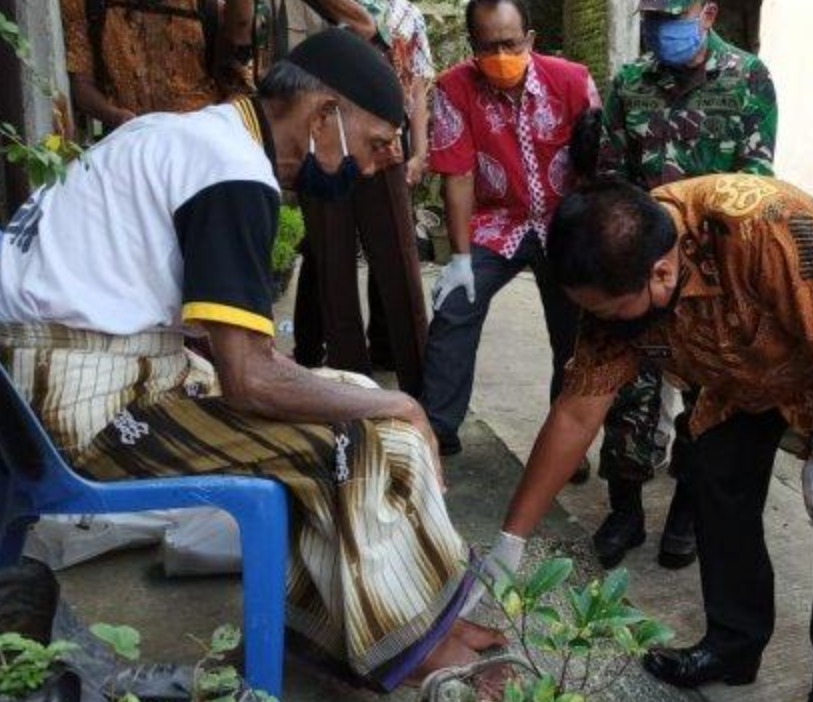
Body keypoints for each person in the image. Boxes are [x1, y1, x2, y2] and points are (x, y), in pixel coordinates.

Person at [0, 28, 505, 691]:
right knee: (364, 440)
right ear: (324, 115)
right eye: (379, 142)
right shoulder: (232, 170)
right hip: (79, 403)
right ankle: (408, 647)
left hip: (41, 381)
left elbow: (220, 339)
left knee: (350, 391)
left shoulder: (196, 138)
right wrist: (399, 401)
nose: (383, 163)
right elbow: (248, 380)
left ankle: (374, 627)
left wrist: (330, 384)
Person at [478, 174, 813, 702]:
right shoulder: (619, 273)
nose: (599, 323)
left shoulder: (764, 225)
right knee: (716, 475)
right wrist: (512, 540)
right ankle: (734, 646)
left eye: (606, 311)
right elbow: (577, 414)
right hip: (745, 356)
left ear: (662, 272)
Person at [592, 0, 778, 571]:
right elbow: (610, 179)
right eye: (652, 17)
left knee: (707, 397)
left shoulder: (749, 78)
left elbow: (757, 178)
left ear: (708, 12)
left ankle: (688, 508)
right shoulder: (629, 83)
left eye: (673, 16)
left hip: (712, 271)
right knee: (629, 393)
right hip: (642, 271)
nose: (660, 29)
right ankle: (625, 508)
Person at [421, 0, 600, 473]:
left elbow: (594, 163)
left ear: (531, 40)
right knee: (453, 308)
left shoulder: (573, 81)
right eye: (487, 46)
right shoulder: (453, 88)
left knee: (574, 331)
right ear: (472, 46)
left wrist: (589, 237)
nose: (500, 54)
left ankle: (568, 442)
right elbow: (456, 175)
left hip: (564, 220)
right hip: (496, 222)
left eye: (510, 43)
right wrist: (459, 258)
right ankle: (435, 431)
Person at [291, 0, 432, 401]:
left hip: (383, 146)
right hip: (320, 147)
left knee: (400, 264)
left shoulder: (406, 13)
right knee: (333, 269)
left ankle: (422, 393)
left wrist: (420, 150)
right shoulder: (306, 11)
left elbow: (417, 86)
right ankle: (350, 390)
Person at [60, 0, 225, 127]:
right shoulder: (86, 5)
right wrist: (114, 115)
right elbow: (82, 82)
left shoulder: (210, 7)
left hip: (201, 135)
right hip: (132, 140)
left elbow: (237, 91)